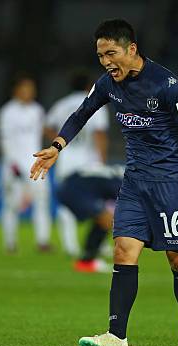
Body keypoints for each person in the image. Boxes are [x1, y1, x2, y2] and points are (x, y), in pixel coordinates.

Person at [30, 19, 178, 346]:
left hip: (170, 183)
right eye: (100, 56)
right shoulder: (108, 84)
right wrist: (56, 146)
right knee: (124, 250)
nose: (106, 62)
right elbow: (82, 113)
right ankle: (117, 336)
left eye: (111, 53)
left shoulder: (168, 84)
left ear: (132, 50)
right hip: (134, 183)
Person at [45, 70, 110, 258]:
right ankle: (100, 244)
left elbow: (47, 127)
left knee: (66, 202)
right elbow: (100, 133)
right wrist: (102, 158)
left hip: (66, 158)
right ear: (88, 85)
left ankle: (70, 244)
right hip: (89, 159)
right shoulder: (95, 102)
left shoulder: (61, 104)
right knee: (99, 201)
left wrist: (58, 142)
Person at [0, 75, 52, 254]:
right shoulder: (7, 112)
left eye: (31, 89)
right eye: (25, 88)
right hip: (13, 165)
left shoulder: (37, 110)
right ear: (16, 90)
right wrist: (13, 165)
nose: (29, 92)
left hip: (36, 163)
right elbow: (5, 141)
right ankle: (10, 243)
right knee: (12, 205)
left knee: (42, 202)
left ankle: (43, 241)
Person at [57, 165, 123, 273]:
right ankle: (86, 262)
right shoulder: (123, 183)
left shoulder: (117, 174)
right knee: (106, 220)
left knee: (105, 219)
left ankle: (88, 260)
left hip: (71, 185)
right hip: (76, 190)